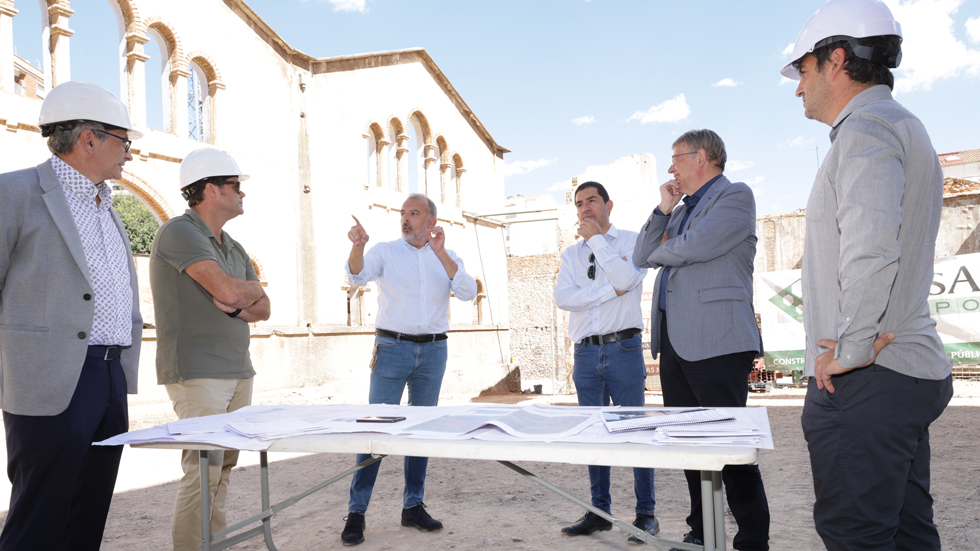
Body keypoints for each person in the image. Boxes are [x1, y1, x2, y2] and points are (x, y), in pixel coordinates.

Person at [782, 1, 953, 549]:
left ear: (835, 59)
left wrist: (849, 350)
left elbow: (871, 252)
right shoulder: (900, 125)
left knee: (855, 535)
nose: (797, 87)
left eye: (802, 70)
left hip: (866, 379)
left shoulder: (867, 130)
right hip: (898, 371)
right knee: (905, 531)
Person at [0, 81, 143, 550]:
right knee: (39, 518)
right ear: (89, 139)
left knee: (88, 515)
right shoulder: (15, 192)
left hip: (108, 377)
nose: (129, 153)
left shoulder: (109, 207)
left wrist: (120, 377)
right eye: (123, 141)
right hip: (49, 380)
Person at [633, 129, 769, 551]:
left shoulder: (734, 196)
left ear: (703, 157)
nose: (670, 168)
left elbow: (695, 247)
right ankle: (703, 533)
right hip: (675, 343)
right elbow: (640, 254)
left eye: (675, 159)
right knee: (690, 448)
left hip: (718, 342)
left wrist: (669, 245)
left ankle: (752, 542)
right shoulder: (677, 209)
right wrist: (663, 209)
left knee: (730, 451)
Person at [150, 148, 271, 551]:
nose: (242, 194)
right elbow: (228, 291)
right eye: (236, 186)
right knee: (203, 469)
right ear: (210, 190)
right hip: (197, 372)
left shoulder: (233, 247)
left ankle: (212, 545)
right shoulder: (179, 231)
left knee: (223, 468)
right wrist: (240, 295)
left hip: (238, 369)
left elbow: (264, 308)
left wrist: (243, 296)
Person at [341, 193, 477, 546]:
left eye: (414, 213)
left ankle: (412, 507)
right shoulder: (386, 251)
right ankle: (357, 512)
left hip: (434, 351)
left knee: (421, 431)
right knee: (375, 430)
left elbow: (467, 291)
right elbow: (356, 275)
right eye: (403, 213)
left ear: (431, 221)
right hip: (392, 349)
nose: (405, 218)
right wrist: (358, 245)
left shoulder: (446, 257)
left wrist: (441, 252)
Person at [554, 181, 659, 544]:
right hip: (585, 353)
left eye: (592, 201)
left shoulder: (632, 241)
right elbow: (563, 298)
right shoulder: (570, 255)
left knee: (635, 432)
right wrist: (605, 293)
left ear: (608, 205)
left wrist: (598, 241)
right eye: (579, 203)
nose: (585, 208)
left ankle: (646, 515)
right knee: (593, 433)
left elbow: (628, 278)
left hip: (623, 349)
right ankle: (600, 512)